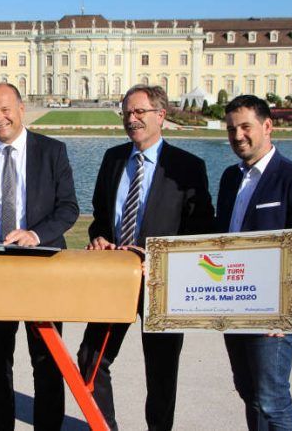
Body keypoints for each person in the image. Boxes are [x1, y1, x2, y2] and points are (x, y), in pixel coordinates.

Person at [77, 85, 214, 431]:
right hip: (116, 278)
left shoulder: (187, 166)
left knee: (162, 369)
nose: (131, 119)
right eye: (126, 112)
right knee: (91, 360)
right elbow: (100, 215)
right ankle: (104, 426)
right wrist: (100, 239)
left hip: (163, 281)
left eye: (139, 112)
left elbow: (200, 229)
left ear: (161, 116)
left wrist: (152, 253)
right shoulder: (112, 159)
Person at [0, 83, 79, 431]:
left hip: (42, 266)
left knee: (47, 358)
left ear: (22, 109)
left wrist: (36, 234)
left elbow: (68, 208)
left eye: (5, 109)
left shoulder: (52, 152)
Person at [216, 95, 292, 430]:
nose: (238, 136)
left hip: (274, 313)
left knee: (272, 400)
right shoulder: (230, 179)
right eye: (232, 129)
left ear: (267, 126)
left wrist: (286, 310)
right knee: (250, 393)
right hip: (235, 306)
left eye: (245, 127)